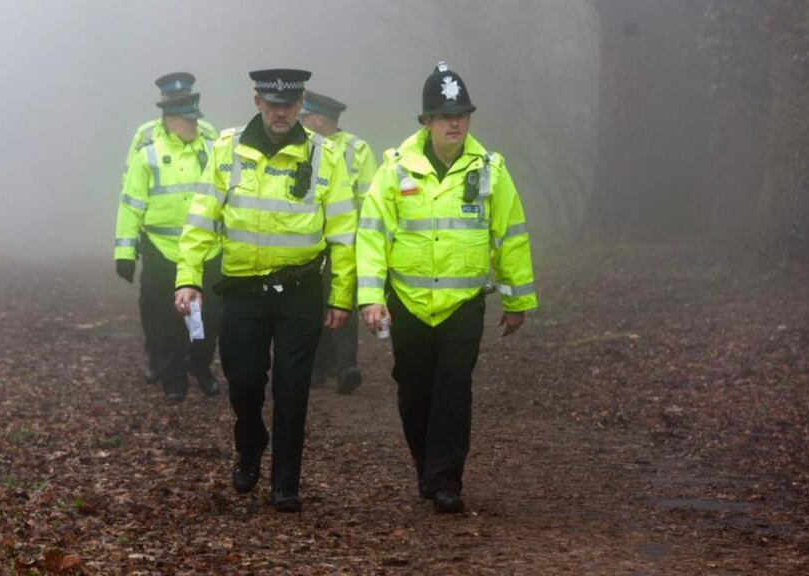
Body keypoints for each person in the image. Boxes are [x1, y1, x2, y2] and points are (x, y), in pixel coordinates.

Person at [356, 62, 537, 514]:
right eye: (443, 115)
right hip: (410, 303)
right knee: (415, 388)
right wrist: (371, 296)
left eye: (461, 114)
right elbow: (373, 234)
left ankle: (446, 480)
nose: (454, 122)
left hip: (463, 304)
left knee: (453, 389)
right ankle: (427, 466)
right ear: (426, 122)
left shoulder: (491, 170)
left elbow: (510, 235)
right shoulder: (395, 170)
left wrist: (516, 300)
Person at [174, 69, 357, 512]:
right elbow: (201, 218)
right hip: (242, 290)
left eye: (289, 106)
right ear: (257, 101)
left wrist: (341, 295)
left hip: (300, 291)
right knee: (246, 382)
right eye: (273, 104)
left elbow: (344, 232)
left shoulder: (325, 156)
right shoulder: (226, 149)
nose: (281, 113)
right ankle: (251, 443)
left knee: (293, 388)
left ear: (301, 108)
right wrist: (188, 276)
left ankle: (285, 482)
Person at [114, 72, 222, 403]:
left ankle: (201, 366)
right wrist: (125, 250)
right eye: (187, 119)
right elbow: (131, 202)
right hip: (162, 248)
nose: (194, 125)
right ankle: (172, 376)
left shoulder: (212, 147)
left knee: (211, 315)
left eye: (195, 118)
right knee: (165, 318)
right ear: (170, 118)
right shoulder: (147, 149)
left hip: (206, 248)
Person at [299, 91, 377, 395]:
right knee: (310, 302)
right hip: (309, 239)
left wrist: (364, 241)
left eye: (304, 117)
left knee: (341, 298)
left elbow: (369, 201)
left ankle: (346, 366)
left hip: (345, 239)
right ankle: (317, 366)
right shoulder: (302, 146)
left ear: (318, 120)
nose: (300, 122)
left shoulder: (357, 150)